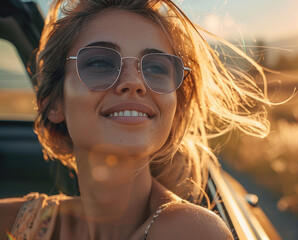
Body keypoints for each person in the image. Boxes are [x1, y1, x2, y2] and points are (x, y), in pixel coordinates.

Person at [0, 0, 272, 239]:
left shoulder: (190, 231)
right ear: (53, 104)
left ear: (174, 108)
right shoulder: (18, 222)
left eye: (156, 67)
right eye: (100, 63)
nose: (134, 82)